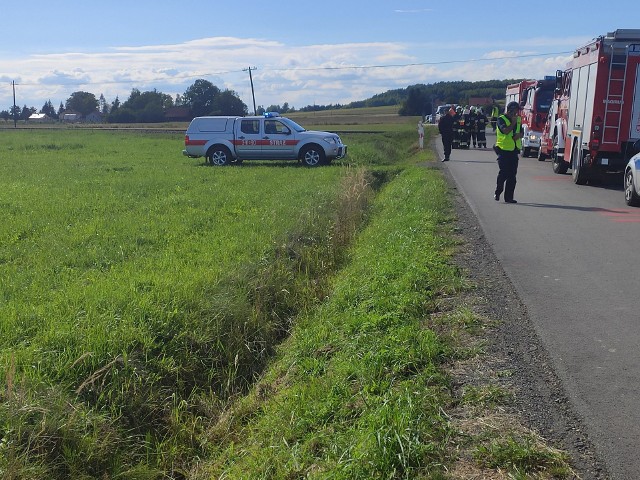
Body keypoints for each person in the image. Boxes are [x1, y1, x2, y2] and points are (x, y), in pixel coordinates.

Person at [494, 101, 523, 203]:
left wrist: (518, 135)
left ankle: (509, 198)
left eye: (517, 111)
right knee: (503, 173)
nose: (516, 113)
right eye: (514, 111)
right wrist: (513, 123)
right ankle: (498, 192)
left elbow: (521, 132)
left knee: (512, 176)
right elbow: (505, 131)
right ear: (509, 110)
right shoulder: (501, 119)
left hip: (514, 151)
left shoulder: (519, 119)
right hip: (503, 150)